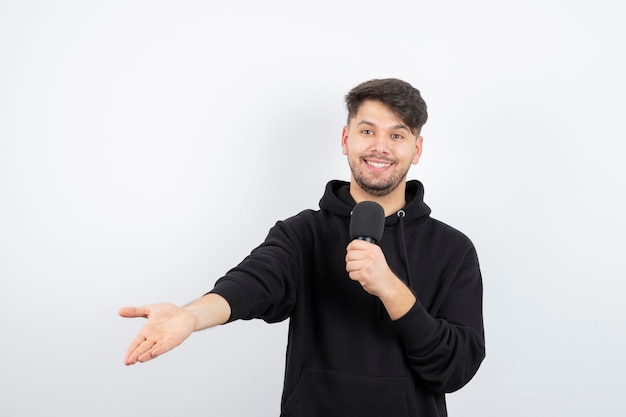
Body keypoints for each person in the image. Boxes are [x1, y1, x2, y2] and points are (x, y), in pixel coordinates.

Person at [119, 78, 485, 416]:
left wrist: (389, 288)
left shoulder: (454, 250)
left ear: (416, 149)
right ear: (345, 139)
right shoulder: (302, 233)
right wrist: (192, 316)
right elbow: (252, 282)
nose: (380, 147)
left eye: (397, 135)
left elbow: (454, 370)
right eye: (367, 130)